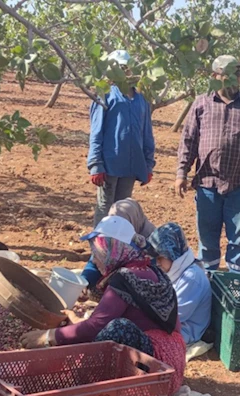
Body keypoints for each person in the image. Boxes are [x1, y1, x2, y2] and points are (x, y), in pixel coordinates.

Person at [20, 217, 185, 395]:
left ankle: (80, 389)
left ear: (111, 251)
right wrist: (77, 323)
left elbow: (96, 327)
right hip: (173, 361)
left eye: (97, 253)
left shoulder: (125, 278)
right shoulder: (153, 271)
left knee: (119, 329)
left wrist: (47, 336)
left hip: (159, 370)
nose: (95, 260)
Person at [176, 55, 240, 274]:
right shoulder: (201, 103)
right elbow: (189, 140)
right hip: (208, 184)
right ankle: (207, 282)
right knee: (207, 239)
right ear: (215, 76)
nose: (235, 79)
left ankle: (236, 284)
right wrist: (181, 172)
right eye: (230, 74)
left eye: (238, 74)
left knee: (239, 240)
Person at [88, 50, 156, 227]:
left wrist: (148, 164)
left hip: (131, 166)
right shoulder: (105, 96)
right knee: (105, 207)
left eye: (126, 68)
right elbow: (96, 131)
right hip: (109, 165)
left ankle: (118, 249)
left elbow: (147, 133)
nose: (123, 72)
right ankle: (100, 250)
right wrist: (96, 164)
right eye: (119, 68)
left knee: (123, 208)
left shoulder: (141, 100)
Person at [149, 223, 211, 346]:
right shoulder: (176, 269)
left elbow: (171, 317)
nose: (157, 262)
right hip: (171, 325)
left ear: (173, 254)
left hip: (184, 332)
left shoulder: (191, 279)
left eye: (161, 257)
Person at [80, 198, 156, 288]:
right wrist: (84, 283)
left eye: (122, 221)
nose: (115, 225)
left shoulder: (153, 246)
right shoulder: (111, 242)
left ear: (133, 220)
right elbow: (96, 260)